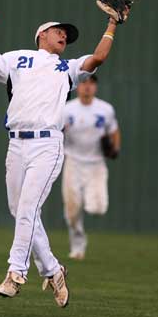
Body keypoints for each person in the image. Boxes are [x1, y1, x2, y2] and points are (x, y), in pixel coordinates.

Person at [0, 10, 123, 307]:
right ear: (42, 35)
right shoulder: (17, 59)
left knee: (27, 208)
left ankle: (15, 274)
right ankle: (53, 270)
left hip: (47, 145)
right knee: (20, 210)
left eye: (66, 34)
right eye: (58, 30)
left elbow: (98, 58)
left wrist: (112, 24)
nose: (64, 35)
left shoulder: (67, 67)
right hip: (16, 145)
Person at [62, 74, 121, 260]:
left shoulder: (105, 109)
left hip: (96, 163)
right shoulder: (67, 109)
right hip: (73, 161)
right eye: (84, 83)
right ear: (78, 87)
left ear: (95, 87)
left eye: (91, 83)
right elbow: (57, 131)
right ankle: (78, 246)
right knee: (72, 209)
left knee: (97, 208)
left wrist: (115, 147)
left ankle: (90, 201)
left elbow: (114, 131)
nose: (87, 87)